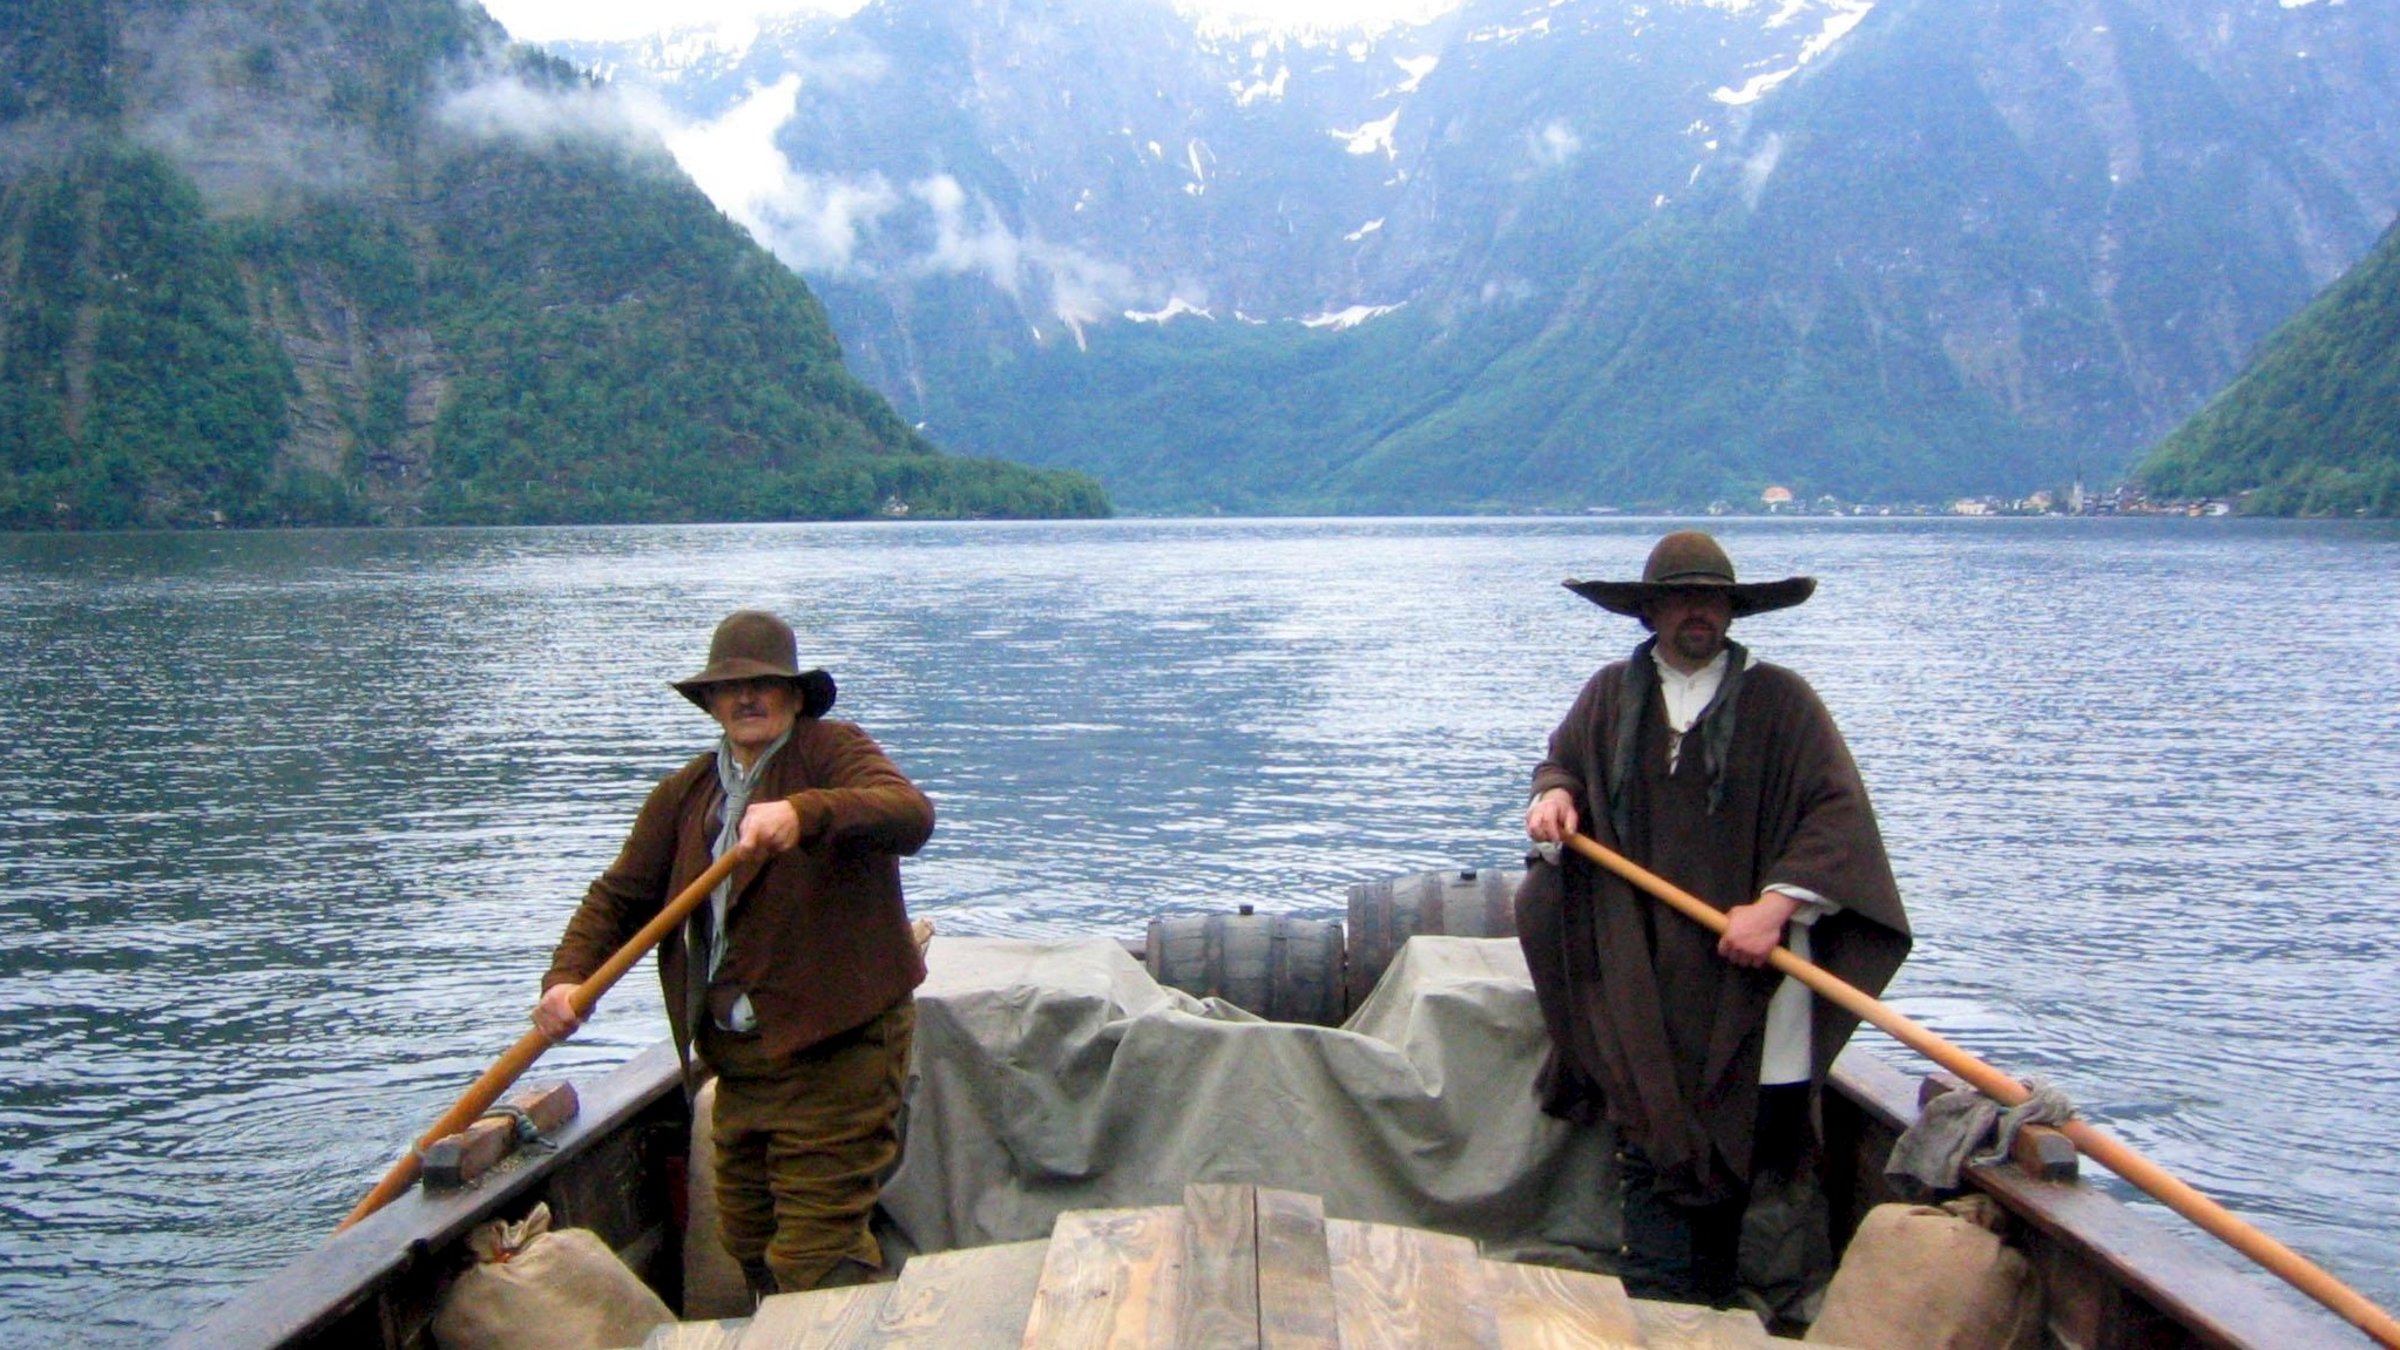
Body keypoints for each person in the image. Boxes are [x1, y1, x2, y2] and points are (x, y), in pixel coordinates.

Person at [1516, 530, 1911, 1319]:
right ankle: (1666, 1309)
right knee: (1647, 1122)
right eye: (1681, 598)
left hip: (1745, 971)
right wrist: (1554, 795)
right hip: (1639, 965)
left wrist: (1775, 908)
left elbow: (1835, 817)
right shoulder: (1607, 696)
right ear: (1650, 611)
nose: (1698, 613)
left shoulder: (1782, 702)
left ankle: (1732, 1300)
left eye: (1713, 600)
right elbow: (1563, 764)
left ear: (1733, 611)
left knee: (1742, 1129)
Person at [534, 609, 934, 1301]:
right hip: (741, 1062)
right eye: (731, 687)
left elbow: (908, 814)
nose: (747, 698)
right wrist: (567, 980)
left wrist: (804, 814)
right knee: (747, 1237)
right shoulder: (687, 794)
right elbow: (621, 896)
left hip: (838, 1050)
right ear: (712, 703)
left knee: (817, 1253)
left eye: (764, 684)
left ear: (795, 695)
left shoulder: (832, 752)